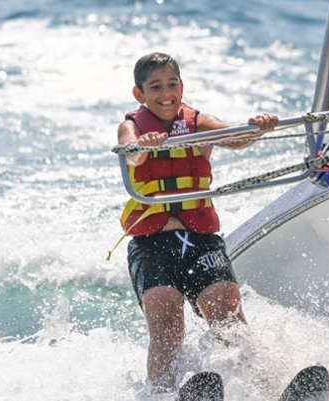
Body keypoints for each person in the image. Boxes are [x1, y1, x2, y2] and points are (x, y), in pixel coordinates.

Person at [116, 52, 278, 392]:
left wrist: (256, 128)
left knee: (228, 316)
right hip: (152, 244)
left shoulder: (198, 122)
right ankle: (162, 396)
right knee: (166, 326)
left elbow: (234, 137)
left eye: (172, 84)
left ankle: (268, 390)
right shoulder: (131, 126)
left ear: (181, 87)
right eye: (155, 86)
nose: (165, 93)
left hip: (201, 239)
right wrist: (143, 146)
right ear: (139, 94)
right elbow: (130, 152)